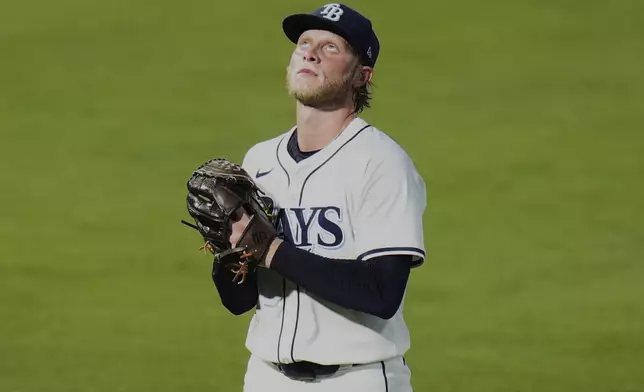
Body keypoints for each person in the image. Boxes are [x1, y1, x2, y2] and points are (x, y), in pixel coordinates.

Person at [212, 3, 427, 391]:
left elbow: (382, 293)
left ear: (361, 76)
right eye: (305, 43)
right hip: (266, 377)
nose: (309, 51)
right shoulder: (260, 161)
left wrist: (271, 249)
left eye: (330, 47)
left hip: (356, 379)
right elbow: (239, 301)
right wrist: (226, 250)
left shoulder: (381, 163)